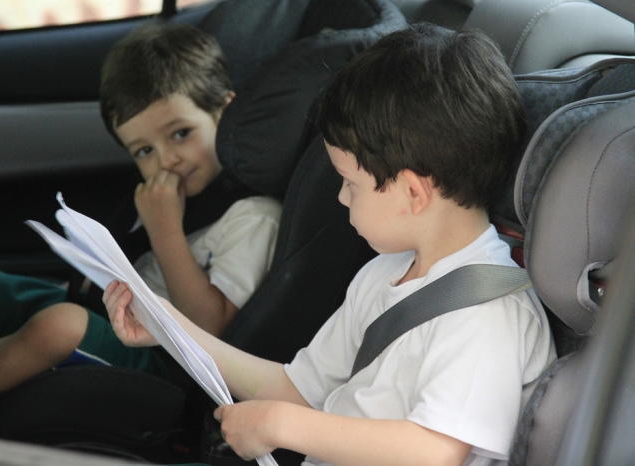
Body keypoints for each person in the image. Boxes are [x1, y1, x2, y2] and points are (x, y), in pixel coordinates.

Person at [103, 23, 557, 466]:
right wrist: (172, 328)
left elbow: (435, 451)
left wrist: (285, 427)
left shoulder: (488, 315)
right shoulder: (385, 273)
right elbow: (296, 387)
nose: (340, 198)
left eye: (349, 184)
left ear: (413, 193)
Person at [0, 21, 281, 414]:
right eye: (144, 151)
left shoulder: (251, 217)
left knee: (60, 325)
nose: (167, 159)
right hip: (115, 315)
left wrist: (164, 231)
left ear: (225, 111)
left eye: (181, 133)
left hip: (169, 365)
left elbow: (213, 331)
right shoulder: (161, 196)